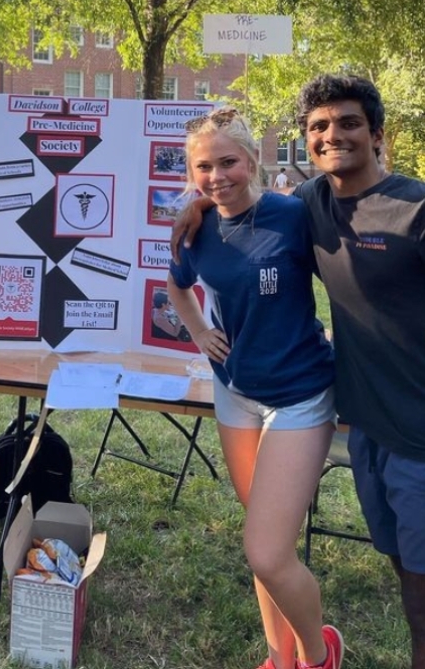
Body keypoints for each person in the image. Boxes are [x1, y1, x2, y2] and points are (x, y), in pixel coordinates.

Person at [167, 107, 343, 669]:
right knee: (266, 546)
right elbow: (178, 287)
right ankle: (277, 657)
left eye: (228, 163)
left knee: (266, 551)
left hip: (300, 395)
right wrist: (199, 331)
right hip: (235, 392)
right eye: (204, 167)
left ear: (254, 161)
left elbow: (348, 279)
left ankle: (320, 657)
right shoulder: (196, 226)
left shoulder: (294, 216)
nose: (217, 176)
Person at [293, 75, 425, 669]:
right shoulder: (312, 204)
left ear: (376, 135)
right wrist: (195, 204)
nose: (332, 135)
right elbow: (243, 209)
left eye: (347, 123)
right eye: (319, 126)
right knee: (400, 559)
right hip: (366, 424)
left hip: (421, 433)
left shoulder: (416, 209)